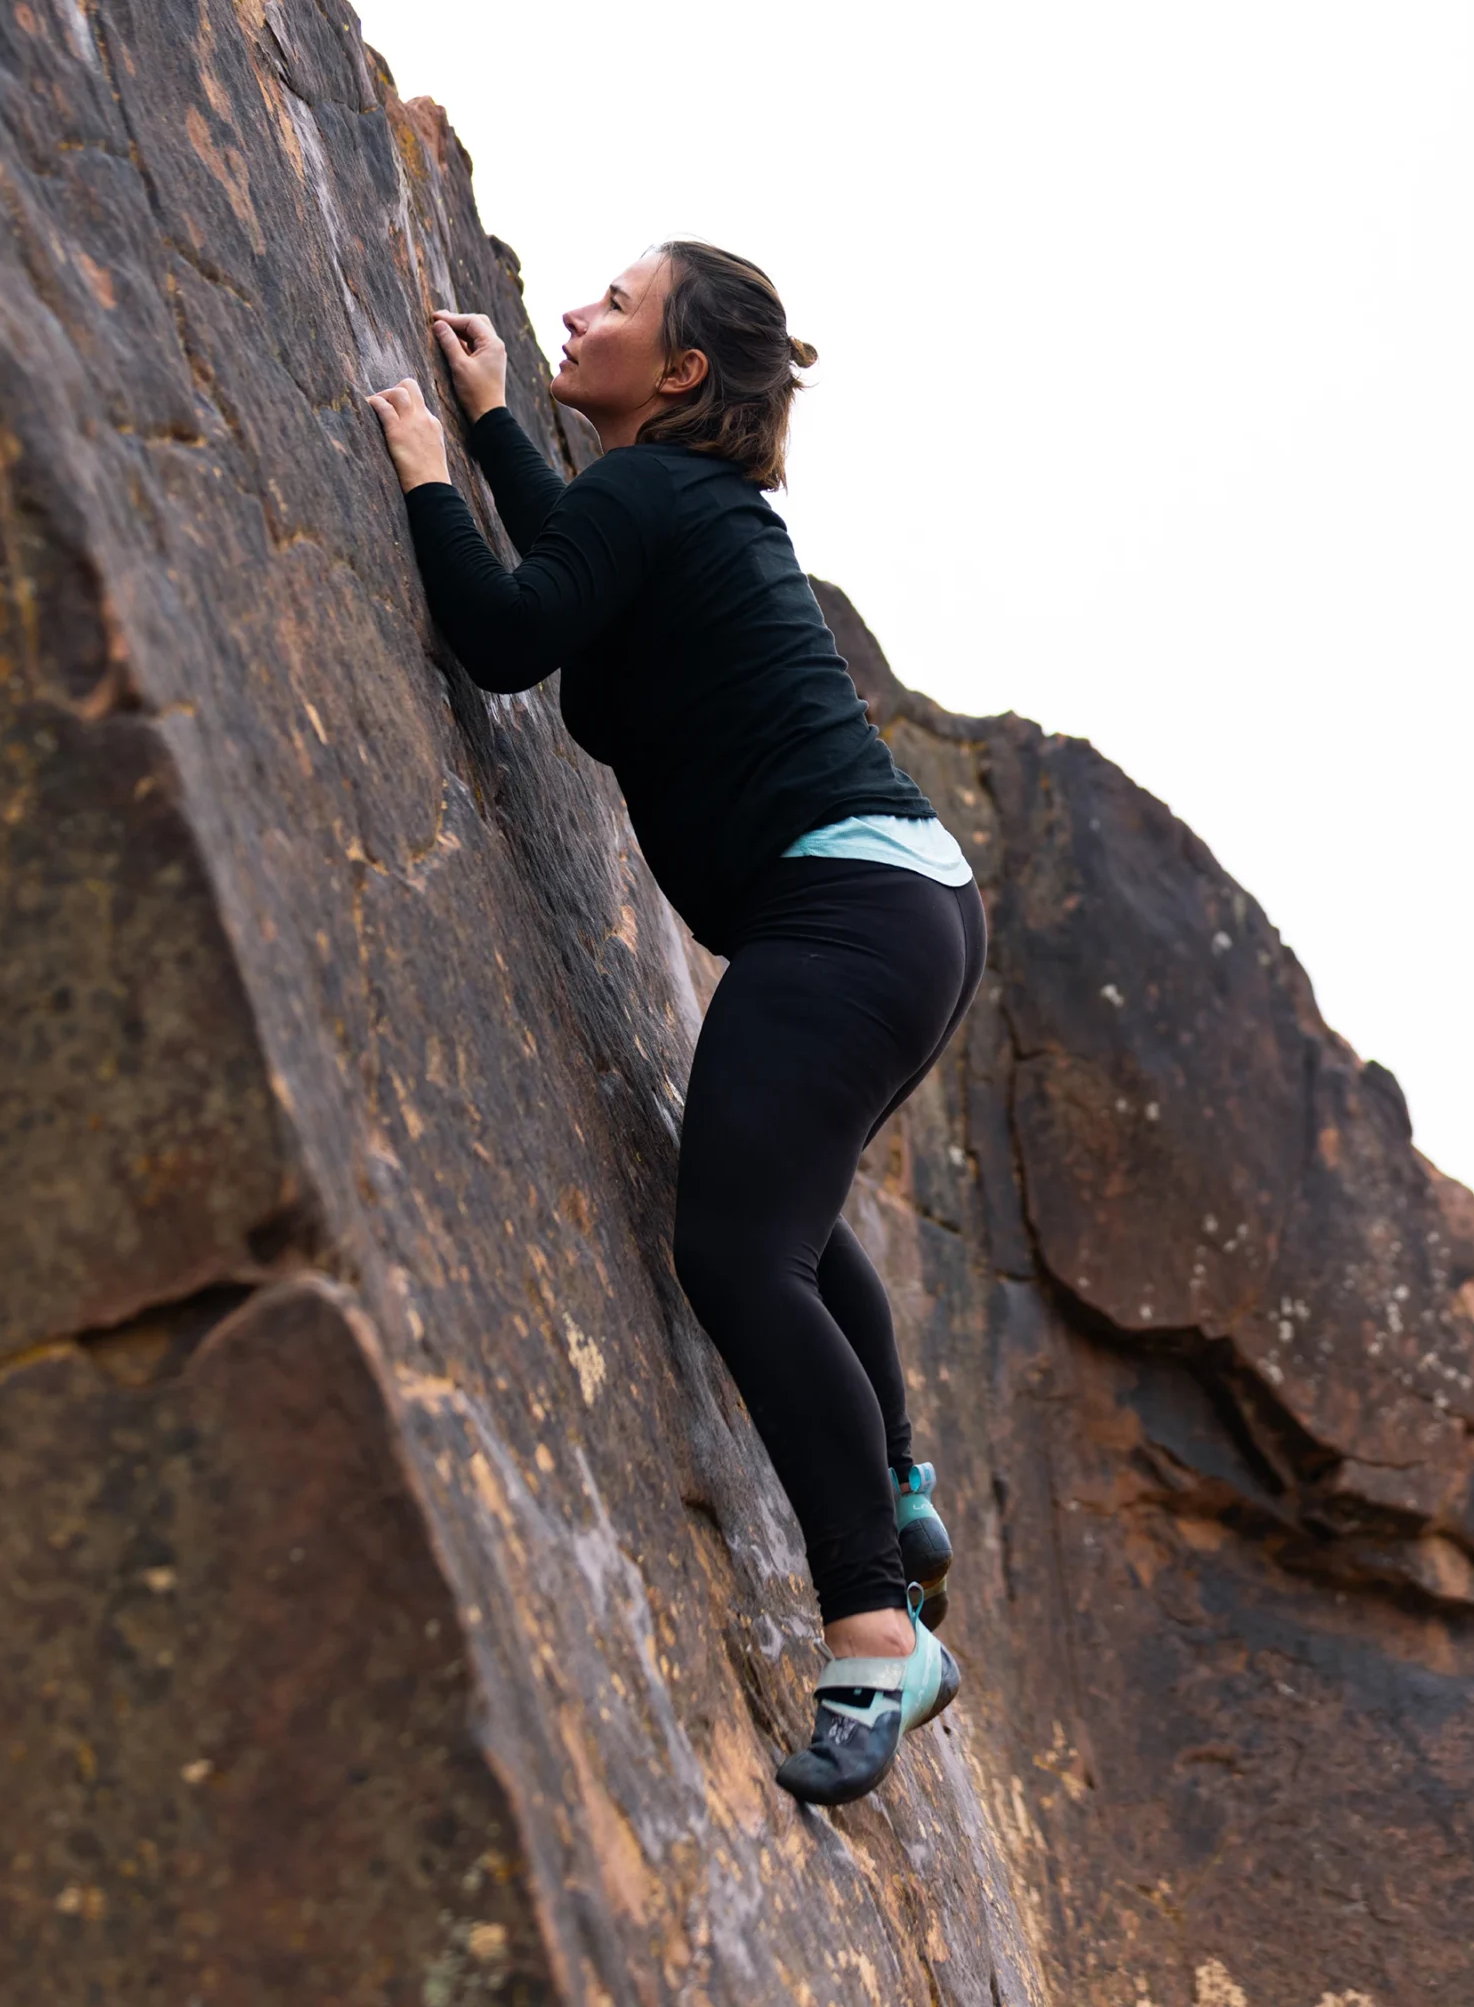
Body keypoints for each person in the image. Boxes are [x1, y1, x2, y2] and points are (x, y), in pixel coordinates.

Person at [367, 243, 985, 1808]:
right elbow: (583, 563)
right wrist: (503, 421)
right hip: (895, 906)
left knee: (732, 1248)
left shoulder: (657, 498)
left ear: (682, 372)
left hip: (844, 912)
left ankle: (872, 1633)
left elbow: (508, 634)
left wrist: (432, 473)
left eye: (614, 307)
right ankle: (899, 1489)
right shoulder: (677, 503)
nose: (574, 315)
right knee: (770, 1199)